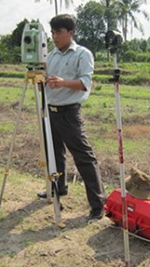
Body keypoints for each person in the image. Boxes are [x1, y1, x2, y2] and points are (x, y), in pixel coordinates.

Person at [37, 14, 106, 222]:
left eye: (58, 32)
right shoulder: (50, 56)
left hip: (69, 113)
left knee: (84, 157)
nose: (54, 36)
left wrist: (63, 82)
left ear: (71, 32)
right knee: (54, 154)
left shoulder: (82, 54)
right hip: (50, 111)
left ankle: (98, 203)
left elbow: (85, 82)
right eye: (52, 32)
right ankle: (58, 188)